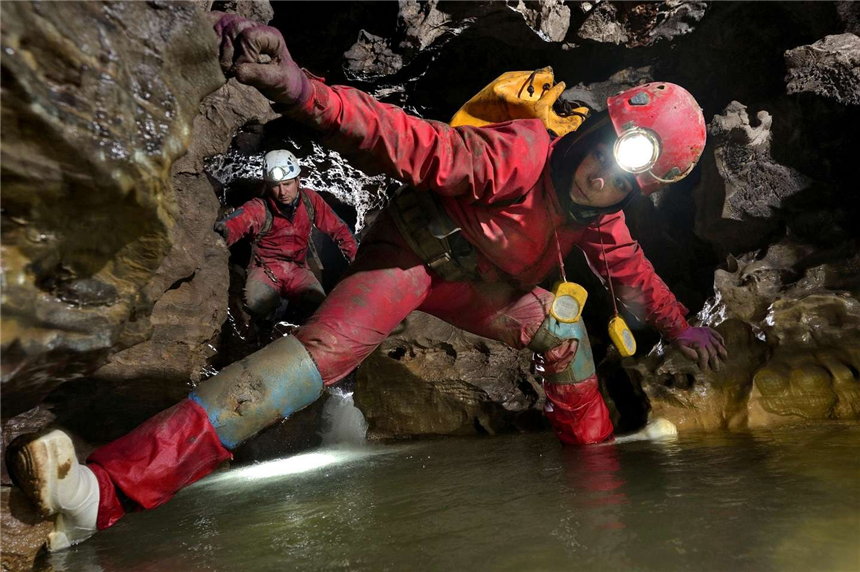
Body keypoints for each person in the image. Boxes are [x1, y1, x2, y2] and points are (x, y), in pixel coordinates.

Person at [7, 13, 728, 551]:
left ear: (641, 190)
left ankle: (595, 478)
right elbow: (404, 139)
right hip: (413, 254)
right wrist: (298, 90)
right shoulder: (520, 154)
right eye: (611, 150)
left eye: (628, 178)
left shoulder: (601, 220)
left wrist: (683, 327)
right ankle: (100, 492)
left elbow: (635, 276)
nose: (605, 175)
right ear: (598, 127)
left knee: (566, 331)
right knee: (313, 365)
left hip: (486, 290)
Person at [215, 149, 357, 327]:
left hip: (298, 269)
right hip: (266, 269)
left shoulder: (310, 200)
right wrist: (224, 231)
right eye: (276, 185)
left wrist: (356, 257)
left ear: (298, 180)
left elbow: (338, 229)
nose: (282, 192)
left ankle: (297, 324)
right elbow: (239, 220)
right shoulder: (260, 208)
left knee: (320, 308)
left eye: (288, 184)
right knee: (255, 304)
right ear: (267, 185)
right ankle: (265, 327)